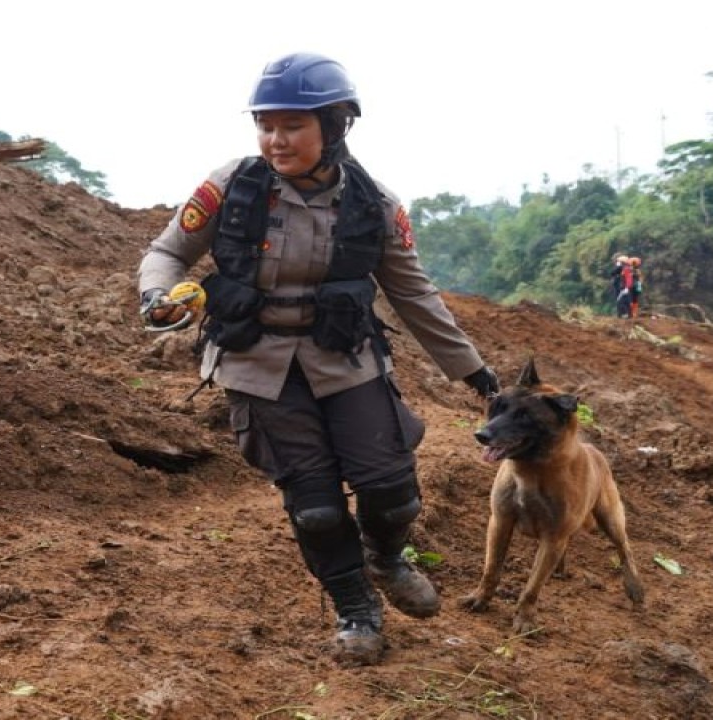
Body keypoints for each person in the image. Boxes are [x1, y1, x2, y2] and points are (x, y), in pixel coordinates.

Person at [136, 52, 498, 666]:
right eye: (266, 125)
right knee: (317, 507)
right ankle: (356, 609)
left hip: (346, 359)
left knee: (393, 491)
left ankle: (386, 557)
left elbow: (413, 294)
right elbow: (166, 254)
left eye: (293, 126)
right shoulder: (231, 187)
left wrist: (475, 372)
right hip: (256, 363)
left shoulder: (374, 204)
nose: (276, 140)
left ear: (333, 127)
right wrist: (157, 297)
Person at [610, 254, 634, 318]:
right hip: (623, 287)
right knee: (624, 301)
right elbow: (613, 273)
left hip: (625, 287)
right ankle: (627, 314)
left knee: (621, 301)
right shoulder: (625, 268)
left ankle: (625, 314)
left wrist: (627, 287)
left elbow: (628, 279)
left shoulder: (626, 269)